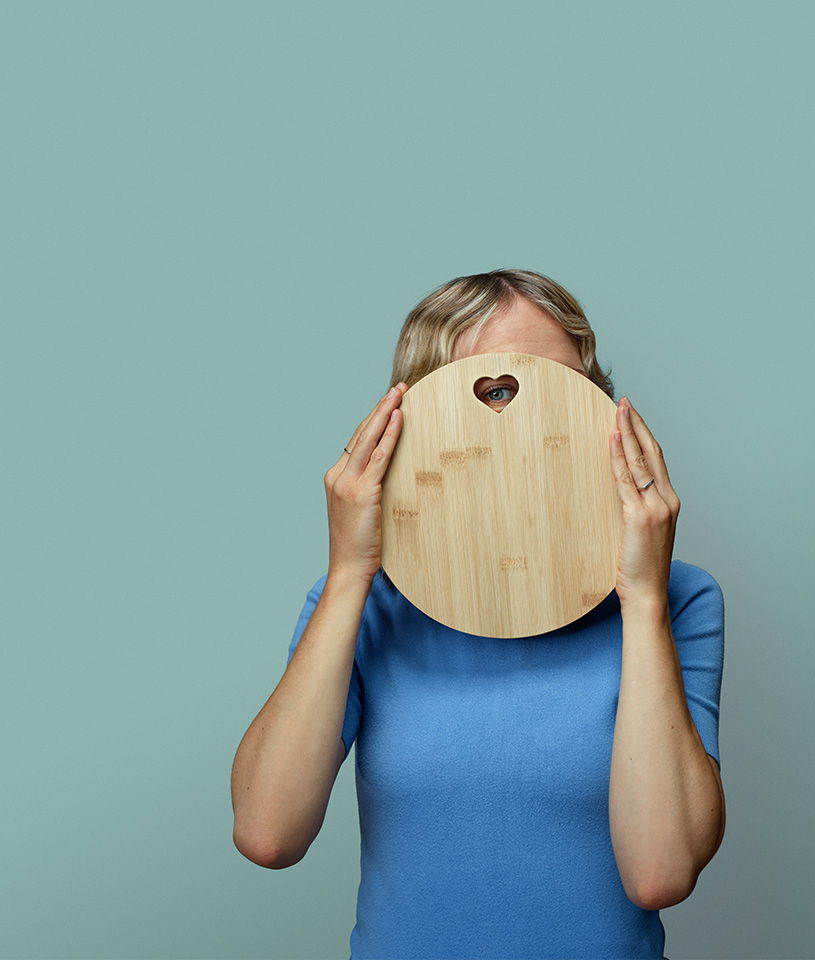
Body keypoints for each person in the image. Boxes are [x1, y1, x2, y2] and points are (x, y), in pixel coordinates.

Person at [231, 268, 726, 960]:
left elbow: (661, 872)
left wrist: (642, 601)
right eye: (495, 394)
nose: (522, 435)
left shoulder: (678, 599)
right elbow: (267, 833)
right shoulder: (360, 607)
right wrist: (349, 574)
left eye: (558, 392)